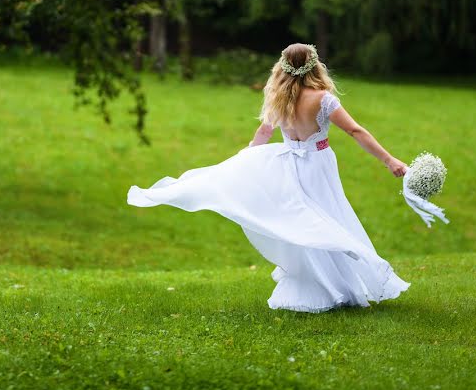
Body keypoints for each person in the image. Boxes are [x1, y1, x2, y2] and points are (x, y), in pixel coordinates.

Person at [127, 43, 410, 313]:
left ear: (282, 67)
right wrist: (389, 159)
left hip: (288, 164)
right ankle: (334, 287)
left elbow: (263, 134)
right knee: (327, 216)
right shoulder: (323, 99)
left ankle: (324, 285)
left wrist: (245, 160)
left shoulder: (278, 97)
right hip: (318, 163)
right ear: (315, 67)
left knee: (303, 222)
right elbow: (355, 131)